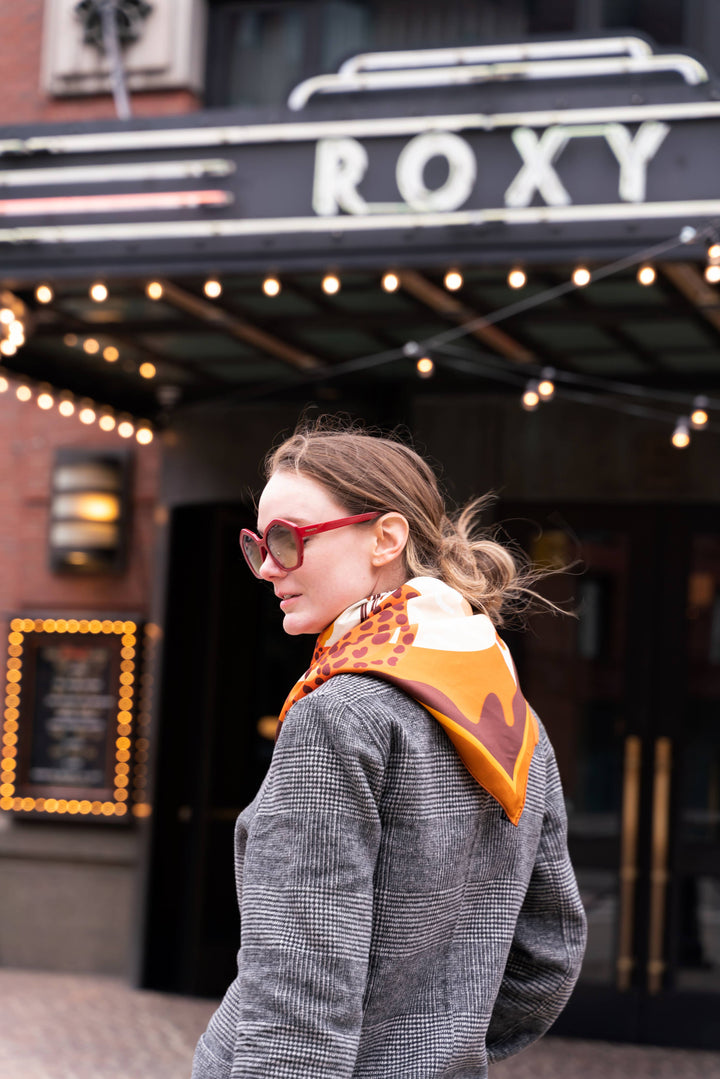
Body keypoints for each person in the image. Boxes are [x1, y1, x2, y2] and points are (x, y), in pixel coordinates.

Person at [192, 421, 587, 1079]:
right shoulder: (512, 716)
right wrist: (431, 1044)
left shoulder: (338, 715)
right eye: (257, 542)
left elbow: (299, 987)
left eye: (289, 539)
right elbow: (547, 957)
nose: (267, 566)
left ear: (386, 537)